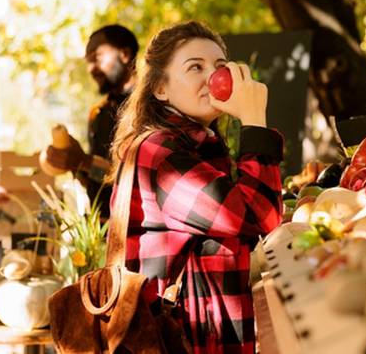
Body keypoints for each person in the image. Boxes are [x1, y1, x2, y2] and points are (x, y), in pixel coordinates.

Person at [109, 21, 283, 353]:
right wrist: (254, 121)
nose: (213, 77)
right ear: (160, 88)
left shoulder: (200, 146)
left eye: (220, 66)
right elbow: (259, 214)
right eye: (195, 67)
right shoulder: (162, 153)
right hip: (187, 340)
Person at [44, 24, 139, 218]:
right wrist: (73, 163)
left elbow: (139, 178)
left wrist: (84, 161)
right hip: (100, 229)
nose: (91, 69)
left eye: (96, 58)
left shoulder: (150, 108)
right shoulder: (97, 113)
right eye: (88, 62)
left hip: (136, 232)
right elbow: (100, 180)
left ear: (125, 54)